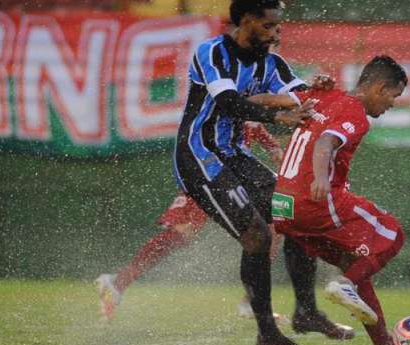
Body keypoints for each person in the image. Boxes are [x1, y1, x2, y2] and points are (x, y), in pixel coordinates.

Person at [163, 0, 351, 345]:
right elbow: (228, 103)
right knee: (257, 236)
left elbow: (303, 98)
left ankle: (306, 312)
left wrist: (319, 90)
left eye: (278, 26)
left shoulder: (272, 64)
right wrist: (277, 114)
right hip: (199, 156)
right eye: (268, 26)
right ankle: (269, 337)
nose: (275, 34)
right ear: (246, 21)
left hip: (236, 155)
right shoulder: (211, 52)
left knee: (295, 216)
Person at [271, 55, 409, 345]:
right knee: (392, 232)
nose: (392, 104)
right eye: (394, 95)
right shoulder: (355, 113)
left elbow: (270, 101)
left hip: (282, 206)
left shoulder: (324, 96)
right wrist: (321, 178)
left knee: (354, 262)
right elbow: (326, 142)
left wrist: (237, 102)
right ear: (379, 87)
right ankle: (343, 285)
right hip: (314, 200)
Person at [95, 122, 294, 326]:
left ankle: (253, 302)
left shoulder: (250, 116)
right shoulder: (215, 112)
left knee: (270, 230)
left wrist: (277, 150)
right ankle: (118, 283)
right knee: (179, 235)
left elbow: (263, 135)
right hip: (206, 174)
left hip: (236, 179)